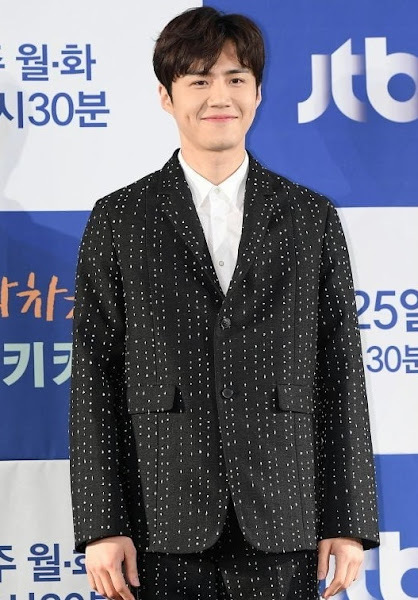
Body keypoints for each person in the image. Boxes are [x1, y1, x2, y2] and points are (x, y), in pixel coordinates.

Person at [69, 6, 380, 600]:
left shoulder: (310, 217)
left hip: (283, 515)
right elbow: (94, 377)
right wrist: (102, 524)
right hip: (160, 517)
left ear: (257, 93)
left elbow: (340, 371)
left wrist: (348, 520)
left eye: (236, 78)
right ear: (166, 97)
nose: (220, 97)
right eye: (199, 80)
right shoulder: (119, 219)